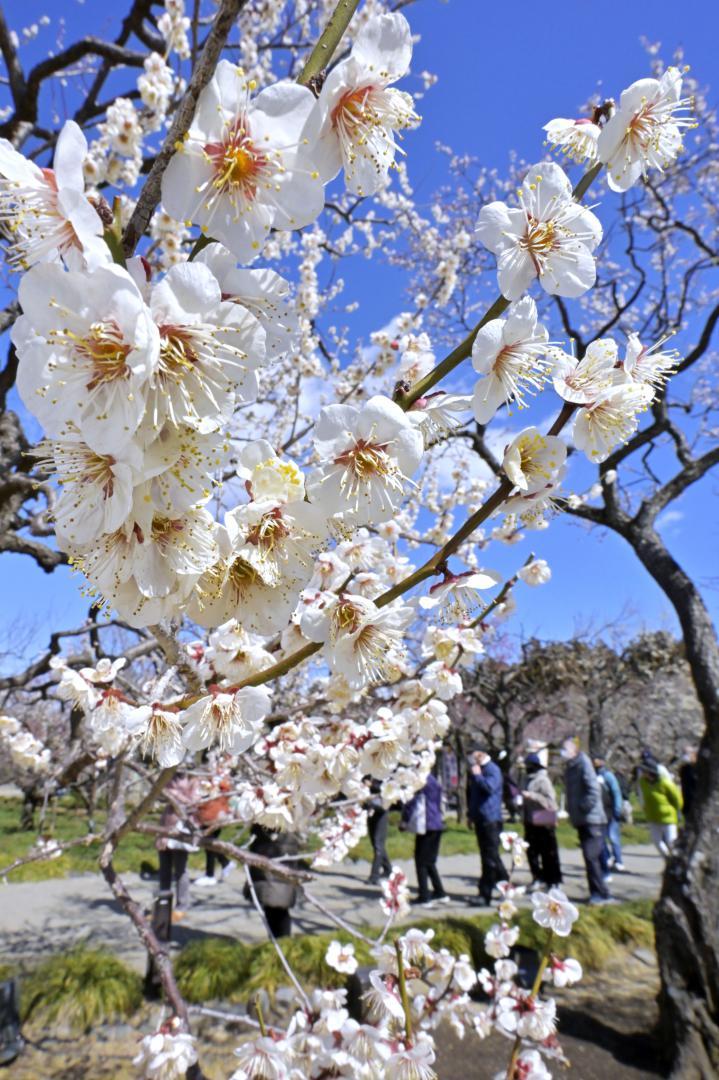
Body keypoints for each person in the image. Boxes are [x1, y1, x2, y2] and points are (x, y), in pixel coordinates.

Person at [561, 737, 613, 905]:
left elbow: (593, 789)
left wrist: (583, 807)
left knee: (591, 856)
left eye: (565, 749)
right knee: (590, 857)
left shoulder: (583, 763)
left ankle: (598, 893)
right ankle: (601, 891)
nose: (563, 752)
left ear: (574, 750)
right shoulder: (570, 767)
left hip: (593, 819)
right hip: (582, 819)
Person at [156, 772, 201, 923]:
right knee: (164, 868)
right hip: (166, 824)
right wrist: (166, 792)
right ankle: (163, 904)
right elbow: (160, 795)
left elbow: (195, 802)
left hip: (183, 827)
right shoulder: (169, 776)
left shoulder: (193, 779)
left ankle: (182, 905)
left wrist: (174, 794)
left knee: (180, 869)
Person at [400, 772, 449, 909]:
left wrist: (405, 819)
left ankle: (424, 896)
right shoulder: (433, 780)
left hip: (426, 824)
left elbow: (411, 799)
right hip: (436, 823)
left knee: (421, 861)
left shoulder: (420, 779)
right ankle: (439, 892)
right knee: (430, 861)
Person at [468, 749, 508, 905]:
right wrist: (471, 815)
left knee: (490, 858)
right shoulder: (481, 770)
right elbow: (475, 796)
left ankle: (485, 895)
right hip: (481, 818)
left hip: (491, 819)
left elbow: (489, 788)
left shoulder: (492, 769)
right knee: (490, 856)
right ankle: (505, 885)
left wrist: (478, 775)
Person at [245, 825, 301, 938]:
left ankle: (281, 943)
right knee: (273, 906)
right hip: (271, 849)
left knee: (276, 905)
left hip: (274, 849)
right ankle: (280, 942)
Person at [521, 753, 562, 890]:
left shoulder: (542, 780)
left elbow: (551, 802)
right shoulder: (526, 780)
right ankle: (537, 877)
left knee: (547, 852)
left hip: (543, 819)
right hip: (529, 820)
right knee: (531, 852)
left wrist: (532, 796)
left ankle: (553, 881)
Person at [194, 768, 234, 888]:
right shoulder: (212, 780)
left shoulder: (221, 781)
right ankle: (224, 863)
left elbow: (224, 791)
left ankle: (211, 874)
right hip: (209, 815)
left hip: (214, 816)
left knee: (210, 844)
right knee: (210, 845)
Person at [639, 762, 683, 858]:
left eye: (644, 771)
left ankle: (675, 862)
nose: (642, 773)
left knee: (671, 842)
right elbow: (642, 796)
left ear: (650, 772)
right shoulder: (642, 782)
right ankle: (668, 860)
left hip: (668, 817)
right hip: (652, 816)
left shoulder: (665, 783)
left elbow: (676, 799)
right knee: (656, 841)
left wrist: (678, 811)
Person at [593, 755, 626, 874]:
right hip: (599, 813)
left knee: (613, 837)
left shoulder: (608, 776)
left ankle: (618, 861)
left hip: (610, 811)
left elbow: (616, 793)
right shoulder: (593, 776)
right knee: (601, 838)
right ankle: (607, 858)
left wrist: (617, 809)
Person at [366, 781, 392, 885]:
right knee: (376, 843)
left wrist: (371, 785)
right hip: (371, 810)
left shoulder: (384, 773)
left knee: (378, 845)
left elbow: (387, 787)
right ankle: (388, 869)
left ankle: (374, 875)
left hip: (381, 812)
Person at [679, 746, 698, 821]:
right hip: (687, 799)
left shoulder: (698, 768)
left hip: (695, 800)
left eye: (687, 753)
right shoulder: (684, 768)